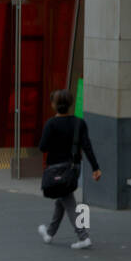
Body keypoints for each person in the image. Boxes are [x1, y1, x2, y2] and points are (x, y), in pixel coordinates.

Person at [37, 88, 101, 250]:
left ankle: (83, 236)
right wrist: (95, 168)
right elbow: (87, 146)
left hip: (57, 170)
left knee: (68, 202)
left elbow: (43, 147)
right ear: (71, 104)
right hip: (74, 168)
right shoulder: (79, 123)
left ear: (54, 105)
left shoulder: (51, 124)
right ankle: (49, 234)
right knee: (62, 200)